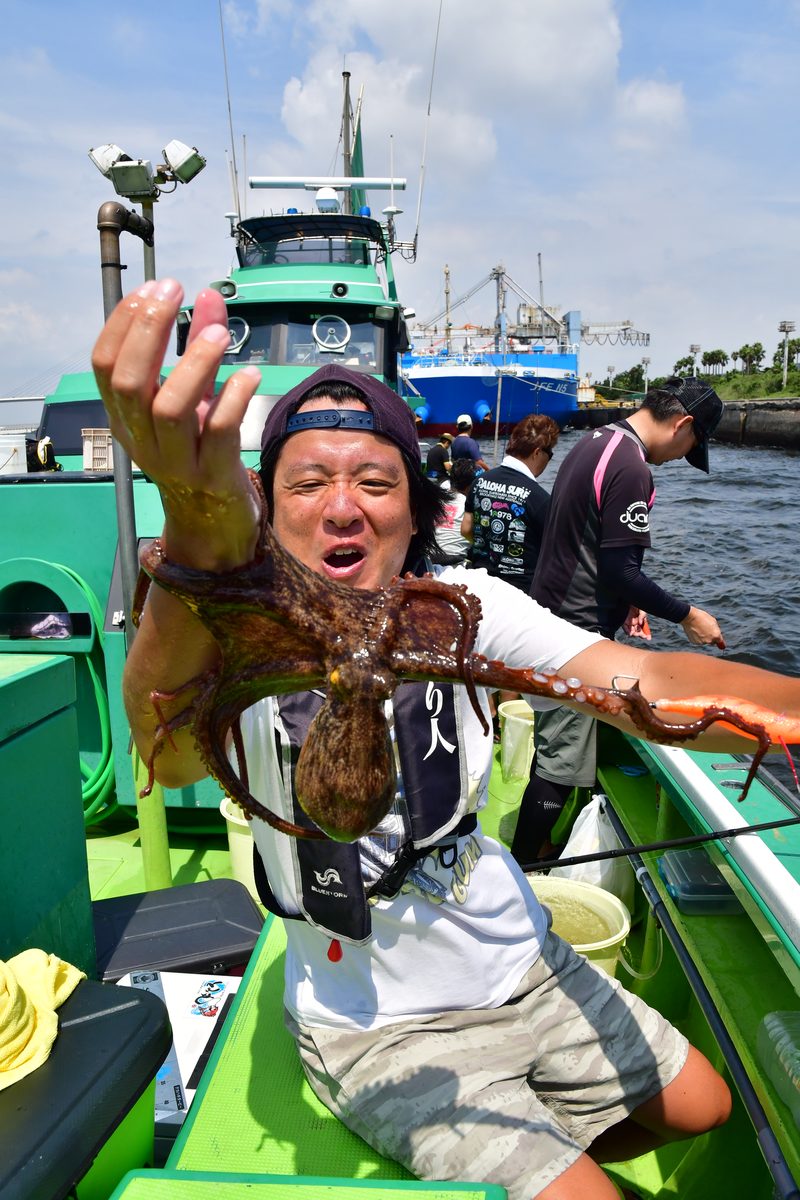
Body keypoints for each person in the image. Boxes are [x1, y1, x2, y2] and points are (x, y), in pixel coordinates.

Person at [92, 280, 800, 1200]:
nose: (343, 506)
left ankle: (544, 1137)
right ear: (265, 508)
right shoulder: (229, 630)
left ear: (415, 510)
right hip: (375, 1023)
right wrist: (198, 534)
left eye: (376, 482)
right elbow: (165, 750)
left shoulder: (463, 613)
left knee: (707, 1107)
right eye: (307, 483)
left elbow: (648, 682)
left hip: (519, 959)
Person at [512, 378, 726, 866]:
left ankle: (533, 849)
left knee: (558, 747)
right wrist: (690, 616)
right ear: (683, 424)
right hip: (573, 632)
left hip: (548, 612)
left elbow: (582, 538)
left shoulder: (594, 442)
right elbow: (620, 569)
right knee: (560, 763)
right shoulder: (633, 467)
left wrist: (628, 602)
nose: (679, 457)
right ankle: (526, 863)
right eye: (692, 445)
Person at [462, 413, 559, 593]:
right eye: (550, 454)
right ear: (537, 452)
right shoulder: (539, 498)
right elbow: (554, 556)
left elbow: (466, 529)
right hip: (519, 595)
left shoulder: (479, 482)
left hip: (479, 586)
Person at [433, 457, 476, 564]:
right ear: (471, 485)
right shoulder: (469, 504)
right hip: (456, 559)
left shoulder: (438, 500)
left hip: (431, 556)